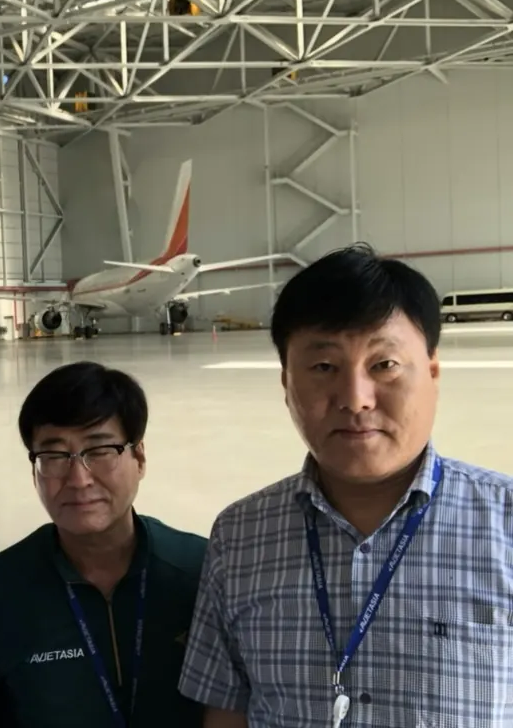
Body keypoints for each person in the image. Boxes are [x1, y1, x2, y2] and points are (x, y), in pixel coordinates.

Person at [178, 243, 513, 728]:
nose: (355, 399)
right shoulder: (240, 537)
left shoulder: (505, 523)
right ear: (286, 385)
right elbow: (227, 710)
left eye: (384, 365)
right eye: (323, 368)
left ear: (433, 373)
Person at [0, 361, 208, 728]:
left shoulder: (201, 570)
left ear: (138, 458)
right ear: (34, 471)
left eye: (100, 449)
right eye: (54, 455)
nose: (78, 478)